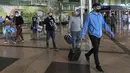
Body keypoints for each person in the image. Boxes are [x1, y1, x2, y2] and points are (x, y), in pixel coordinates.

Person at [81, 3, 115, 72]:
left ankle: (87, 54)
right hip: (92, 34)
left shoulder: (100, 15)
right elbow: (85, 25)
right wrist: (82, 35)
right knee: (96, 50)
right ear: (93, 8)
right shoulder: (90, 16)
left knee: (96, 48)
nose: (99, 8)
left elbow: (104, 24)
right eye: (97, 7)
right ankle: (97, 65)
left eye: (99, 7)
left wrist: (110, 32)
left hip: (99, 34)